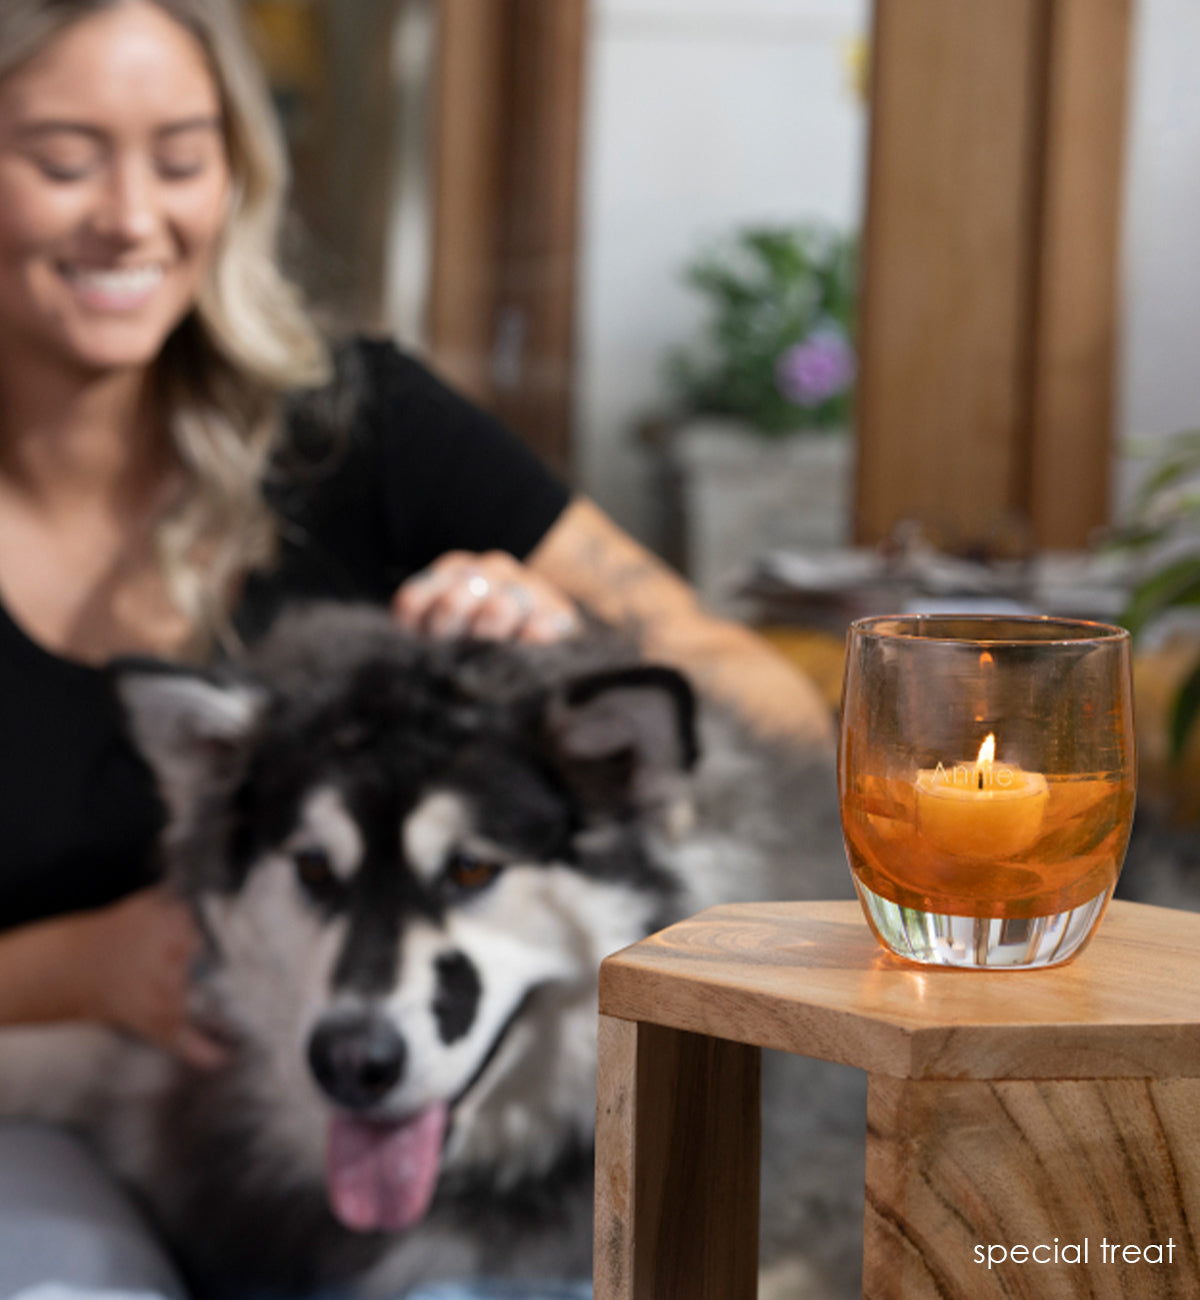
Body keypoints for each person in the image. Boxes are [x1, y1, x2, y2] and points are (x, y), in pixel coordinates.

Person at [0, 2, 834, 1297]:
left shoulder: (364, 426)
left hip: (391, 1104)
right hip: (44, 1099)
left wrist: (566, 643)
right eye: (63, 160)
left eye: (179, 158)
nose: (130, 217)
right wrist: (83, 965)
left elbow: (768, 704)